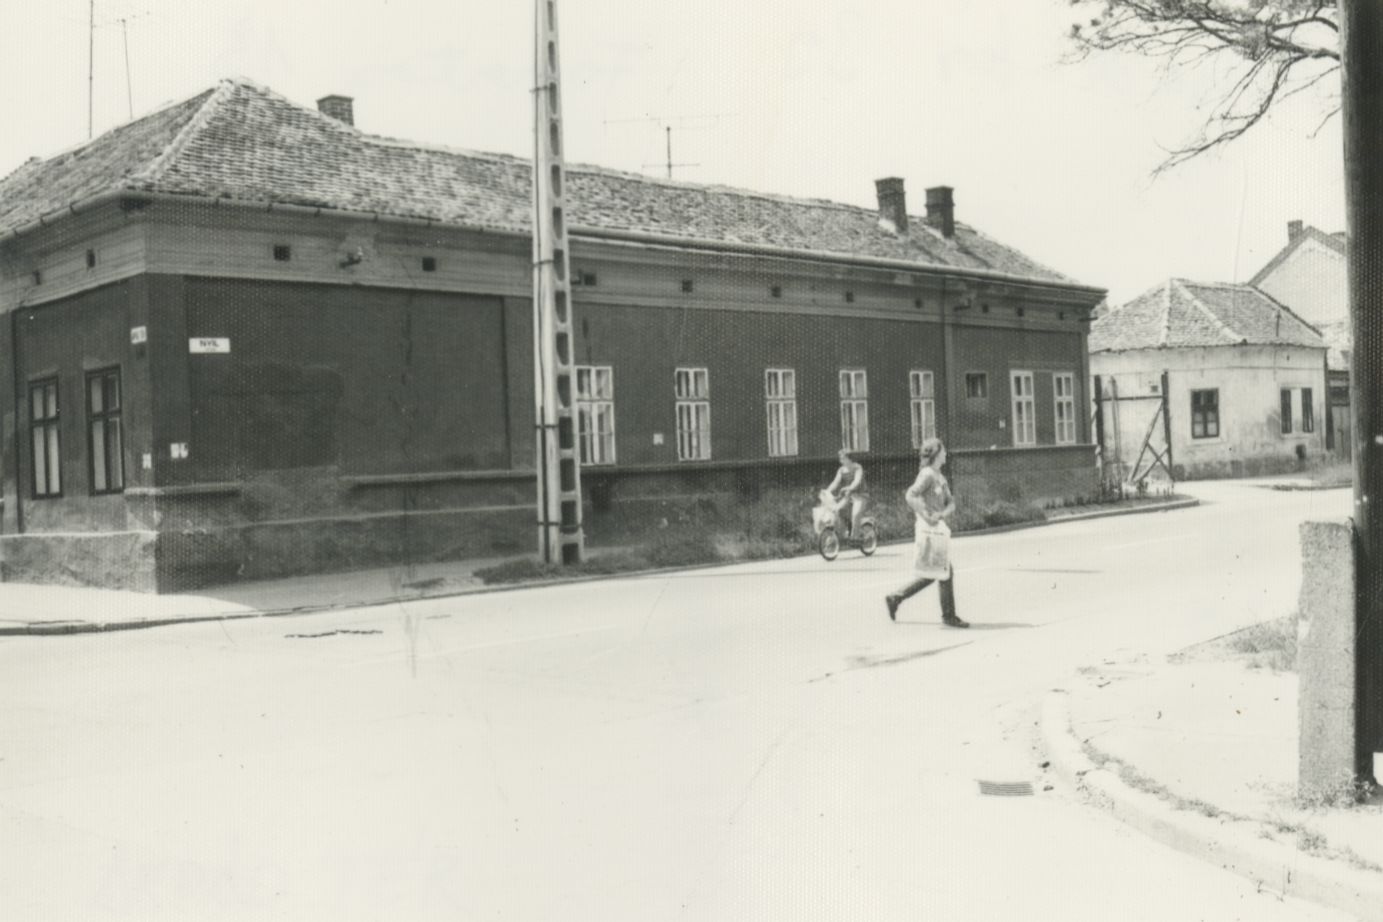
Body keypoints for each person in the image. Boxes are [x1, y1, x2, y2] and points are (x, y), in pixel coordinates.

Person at [885, 437, 969, 628]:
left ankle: (896, 597)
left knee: (938, 570)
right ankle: (948, 616)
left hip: (937, 528)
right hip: (927, 529)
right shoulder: (927, 474)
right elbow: (911, 495)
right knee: (943, 570)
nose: (946, 453)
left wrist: (941, 514)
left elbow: (951, 503)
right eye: (943, 450)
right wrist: (925, 514)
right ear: (936, 454)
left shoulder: (940, 476)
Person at [826, 449, 868, 538]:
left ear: (849, 458)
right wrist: (827, 491)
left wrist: (850, 487)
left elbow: (857, 481)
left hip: (860, 495)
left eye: (843, 458)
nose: (841, 460)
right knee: (837, 511)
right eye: (840, 458)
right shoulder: (841, 470)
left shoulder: (857, 467)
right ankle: (842, 535)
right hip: (848, 496)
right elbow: (835, 482)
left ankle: (855, 538)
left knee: (856, 514)